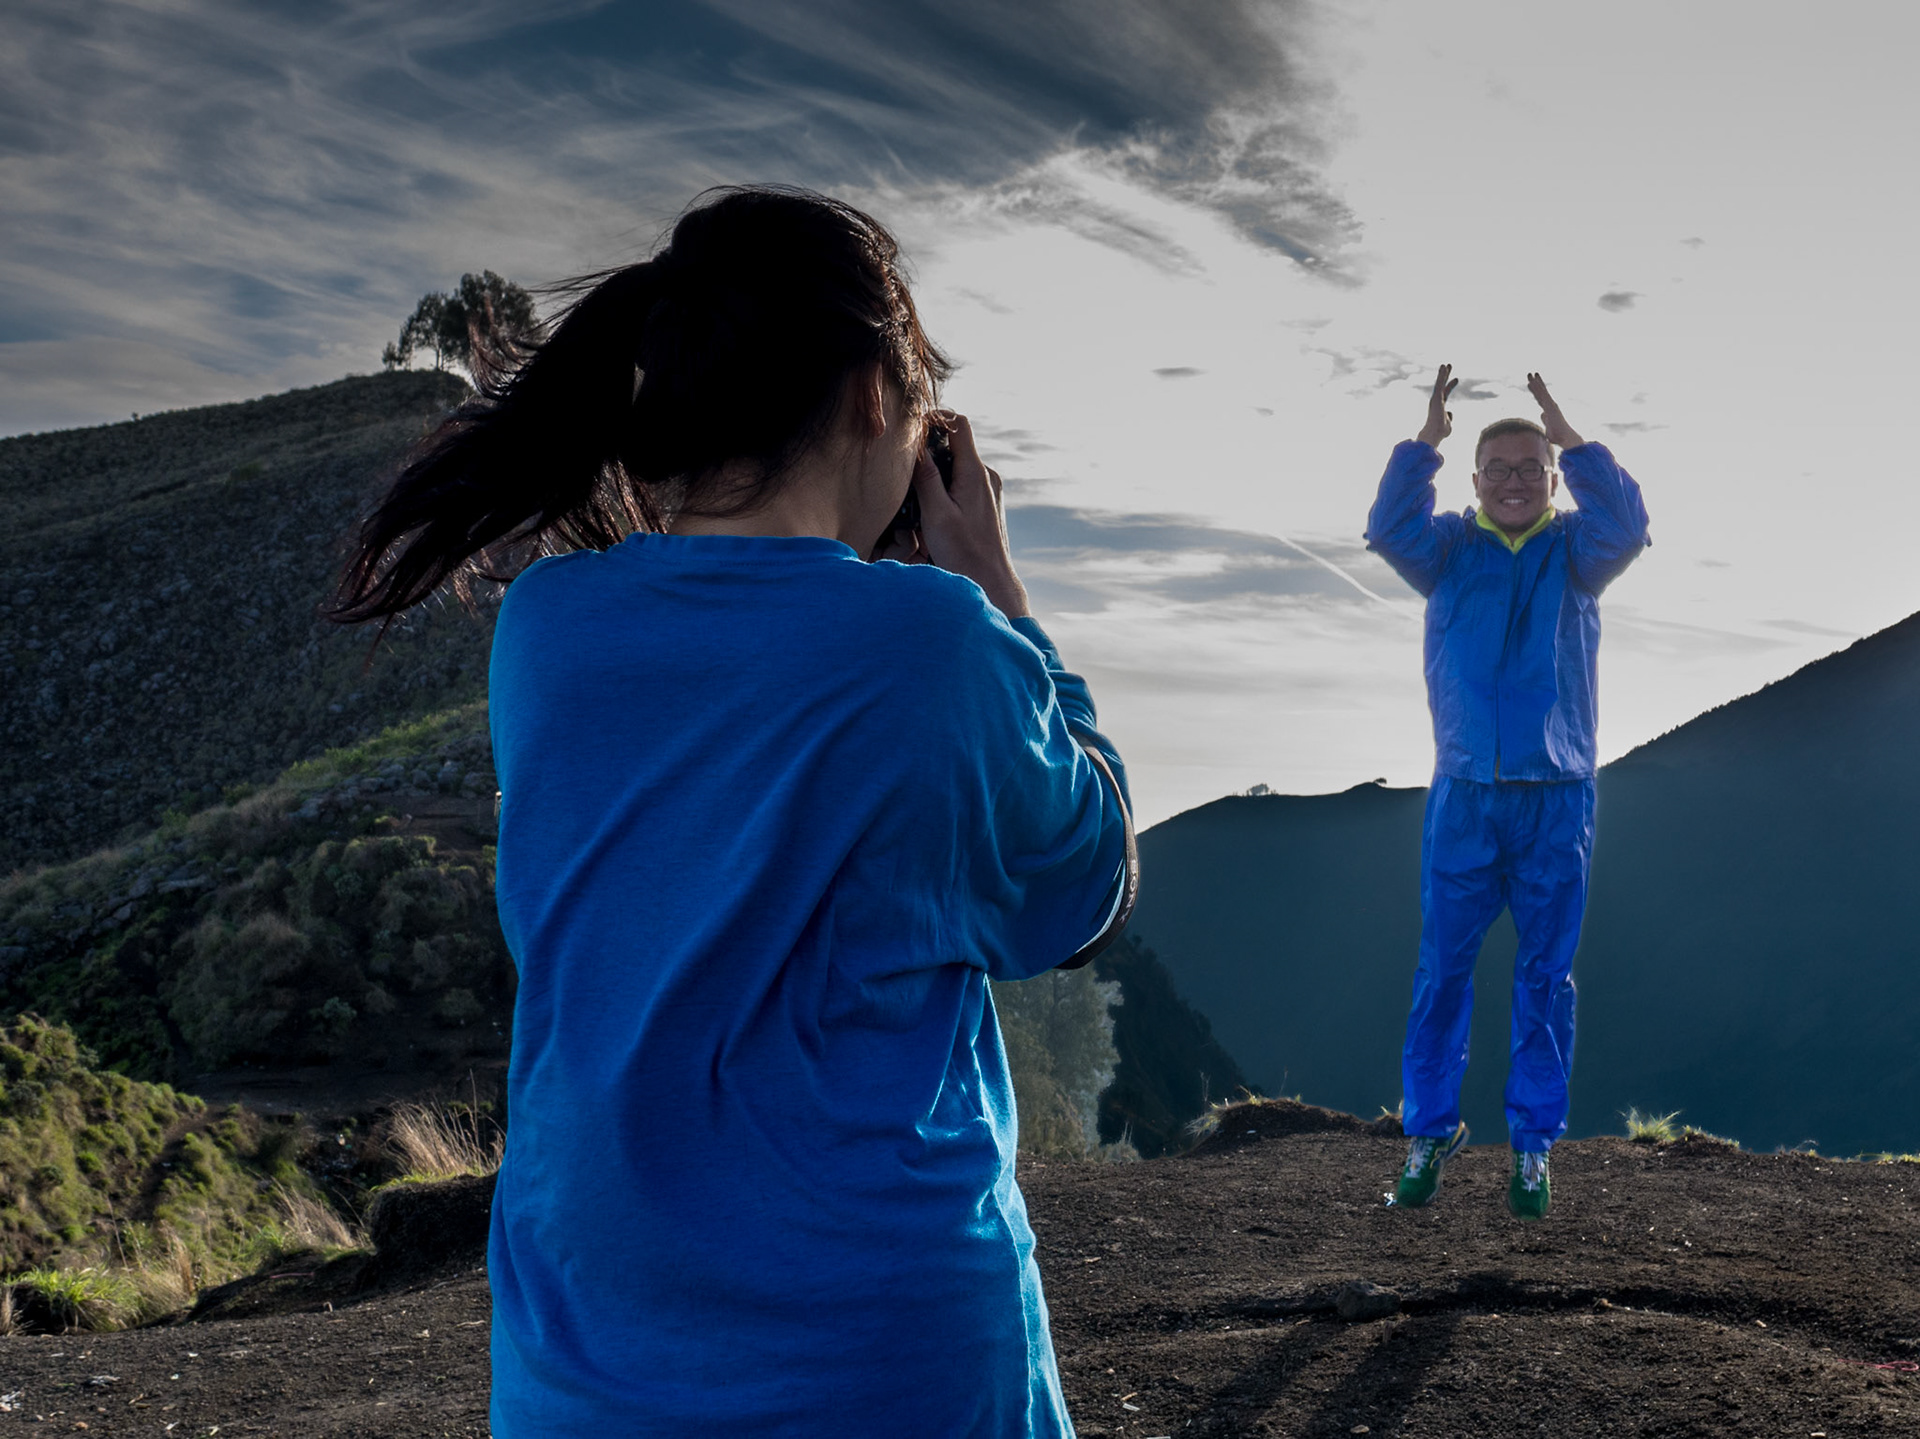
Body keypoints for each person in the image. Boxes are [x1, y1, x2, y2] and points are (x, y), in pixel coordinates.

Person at [331, 186, 1136, 1435]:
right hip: (884, 1361)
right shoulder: (934, 642)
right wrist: (998, 590)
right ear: (878, 395)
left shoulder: (548, 633)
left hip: (587, 1358)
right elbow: (1084, 890)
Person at [1365, 365, 1649, 1220]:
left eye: (1534, 467)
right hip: (1465, 794)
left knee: (1544, 975)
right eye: (1501, 469)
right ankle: (1430, 1132)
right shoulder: (1445, 549)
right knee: (1443, 970)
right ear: (1476, 480)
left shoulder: (1579, 553)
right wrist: (1424, 446)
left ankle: (1532, 1148)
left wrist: (1574, 435)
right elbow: (1385, 527)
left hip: (1558, 797)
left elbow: (1630, 523)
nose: (1518, 480)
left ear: (1553, 480)